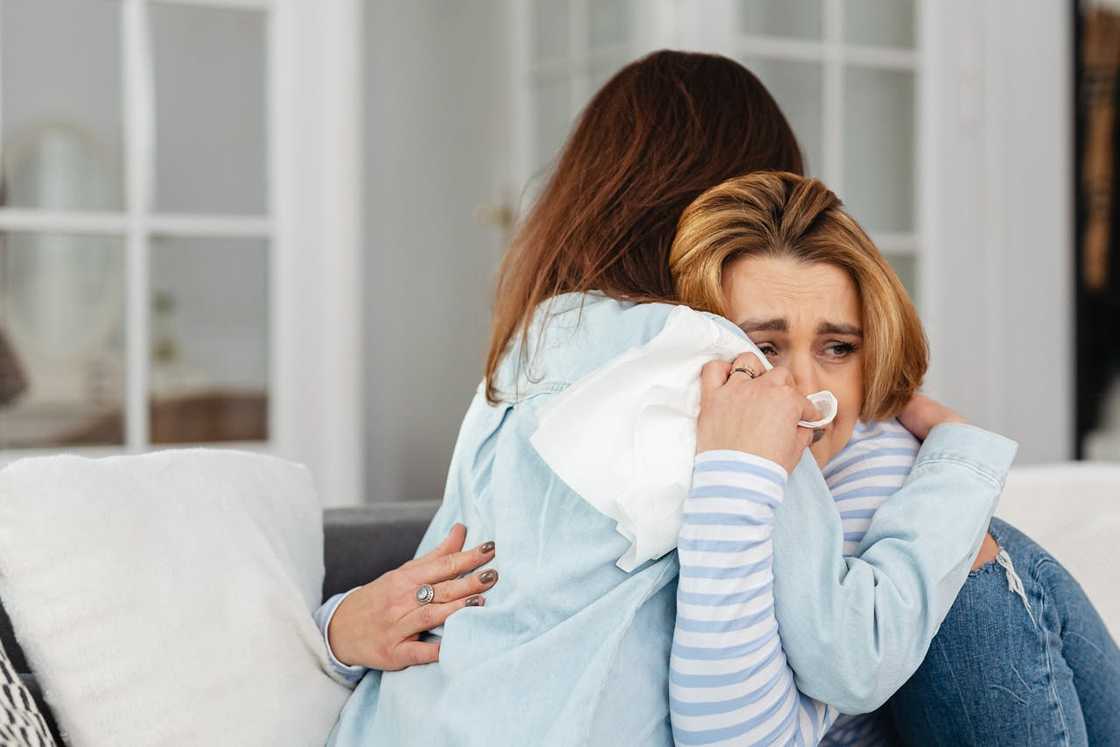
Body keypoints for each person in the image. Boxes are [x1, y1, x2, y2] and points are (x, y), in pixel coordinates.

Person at [314, 50, 1114, 744]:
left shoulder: (535, 346)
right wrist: (959, 462)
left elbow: (436, 581)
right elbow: (852, 654)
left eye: (836, 345)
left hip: (390, 727)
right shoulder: (719, 371)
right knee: (987, 544)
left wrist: (337, 628)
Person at [666, 171, 1120, 745]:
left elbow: (845, 665)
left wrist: (958, 466)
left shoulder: (874, 462)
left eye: (838, 348)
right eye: (764, 347)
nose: (804, 386)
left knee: (975, 565)